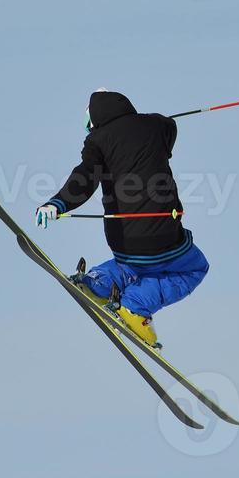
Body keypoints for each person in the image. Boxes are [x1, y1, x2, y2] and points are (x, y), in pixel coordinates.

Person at [35, 90, 208, 347]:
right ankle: (135, 305)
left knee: (132, 263)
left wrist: (57, 203)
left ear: (93, 121)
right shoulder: (156, 124)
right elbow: (170, 127)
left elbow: (85, 178)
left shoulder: (97, 141)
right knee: (194, 266)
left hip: (124, 241)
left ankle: (99, 285)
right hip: (166, 235)